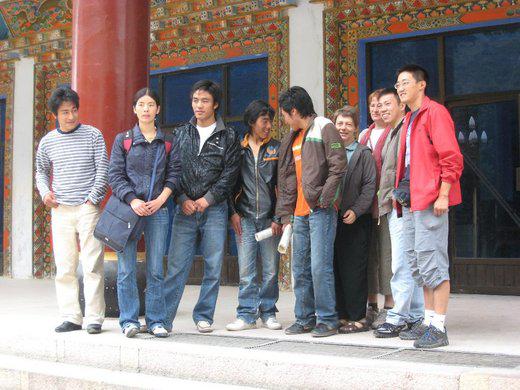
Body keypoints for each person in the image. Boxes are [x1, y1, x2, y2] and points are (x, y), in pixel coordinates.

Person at [394, 64, 463, 348]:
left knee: (434, 262)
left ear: (422, 85)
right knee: (419, 264)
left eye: (405, 82)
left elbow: (451, 157)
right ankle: (427, 320)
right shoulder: (409, 118)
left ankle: (439, 327)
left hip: (431, 199)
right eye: (397, 84)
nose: (400, 88)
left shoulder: (435, 113)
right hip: (411, 200)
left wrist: (444, 194)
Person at [164, 80, 240, 333]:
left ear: (215, 104)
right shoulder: (181, 132)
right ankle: (163, 318)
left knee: (213, 265)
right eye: (196, 100)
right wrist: (181, 198)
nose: (199, 105)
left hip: (214, 210)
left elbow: (230, 174)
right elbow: (172, 169)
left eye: (205, 100)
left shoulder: (228, 136)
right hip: (184, 209)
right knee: (176, 266)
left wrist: (208, 199)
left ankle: (204, 315)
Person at [108, 88, 181, 338]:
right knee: (126, 267)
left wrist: (161, 199)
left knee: (155, 268)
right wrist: (133, 199)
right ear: (134, 109)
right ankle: (128, 320)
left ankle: (156, 320)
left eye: (151, 104)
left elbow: (174, 175)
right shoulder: (124, 140)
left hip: (158, 210)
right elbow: (114, 175)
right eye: (142, 104)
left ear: (158, 109)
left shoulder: (168, 141)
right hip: (130, 210)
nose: (146, 109)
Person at [35, 86, 108, 334]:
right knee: (65, 266)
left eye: (74, 110)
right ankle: (71, 316)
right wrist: (45, 193)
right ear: (55, 114)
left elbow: (103, 170)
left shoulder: (93, 135)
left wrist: (92, 199)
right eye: (65, 112)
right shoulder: (47, 142)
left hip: (88, 208)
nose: (71, 116)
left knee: (92, 265)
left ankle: (94, 317)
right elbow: (41, 172)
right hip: (61, 210)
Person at [276, 86, 347, 338]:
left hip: (320, 211)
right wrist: (285, 214)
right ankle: (304, 318)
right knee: (300, 268)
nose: (283, 119)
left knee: (320, 267)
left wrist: (324, 199)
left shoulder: (324, 126)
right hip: (298, 214)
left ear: (294, 111)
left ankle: (327, 319)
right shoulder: (291, 137)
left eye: (284, 114)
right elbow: (285, 179)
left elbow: (339, 165)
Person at [226, 100, 283, 332]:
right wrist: (233, 213)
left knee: (270, 269)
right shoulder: (238, 149)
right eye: (264, 121)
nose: (268, 126)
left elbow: (284, 185)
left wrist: (279, 217)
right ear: (251, 122)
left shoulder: (277, 148)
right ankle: (246, 314)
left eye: (270, 121)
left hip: (270, 219)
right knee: (246, 270)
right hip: (245, 217)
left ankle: (268, 312)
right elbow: (229, 184)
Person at [373, 88, 425, 338]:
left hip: (402, 206)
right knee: (408, 262)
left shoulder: (406, 130)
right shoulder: (393, 131)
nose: (382, 109)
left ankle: (397, 316)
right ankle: (415, 316)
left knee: (401, 263)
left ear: (401, 106)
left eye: (387, 104)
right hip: (393, 207)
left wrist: (397, 197)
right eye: (379, 105)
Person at [332, 106, 376, 334]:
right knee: (336, 267)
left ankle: (358, 317)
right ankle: (341, 315)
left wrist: (356, 211)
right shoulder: (328, 151)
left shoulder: (363, 153)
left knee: (354, 269)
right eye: (339, 123)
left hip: (357, 220)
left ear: (356, 128)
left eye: (348, 124)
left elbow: (370, 187)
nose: (343, 128)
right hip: (333, 218)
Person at [359, 89, 395, 329]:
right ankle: (371, 304)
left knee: (388, 255)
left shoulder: (394, 132)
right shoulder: (363, 135)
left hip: (386, 205)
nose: (376, 109)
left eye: (380, 104)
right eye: (372, 105)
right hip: (365, 205)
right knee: (369, 256)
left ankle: (390, 304)